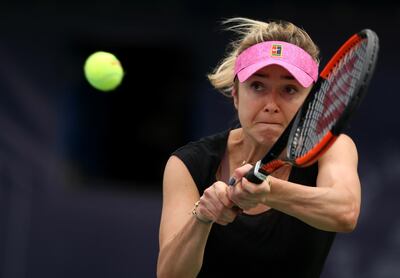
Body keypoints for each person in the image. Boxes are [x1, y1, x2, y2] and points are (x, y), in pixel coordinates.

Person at [157, 17, 361, 278]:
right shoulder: (188, 163)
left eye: (289, 89)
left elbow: (345, 212)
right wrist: (203, 217)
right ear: (235, 94)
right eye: (257, 86)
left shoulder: (331, 148)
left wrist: (268, 191)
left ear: (310, 102)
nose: (271, 104)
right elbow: (170, 275)